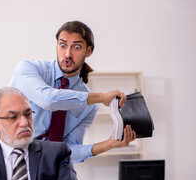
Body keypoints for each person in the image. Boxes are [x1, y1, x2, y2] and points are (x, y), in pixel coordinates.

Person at [10, 20, 136, 163]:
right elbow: (49, 100)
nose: (67, 54)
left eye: (76, 47)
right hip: (11, 163)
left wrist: (108, 144)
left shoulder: (90, 106)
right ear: (56, 46)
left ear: (88, 51)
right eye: (63, 45)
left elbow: (67, 151)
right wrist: (101, 97)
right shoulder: (28, 69)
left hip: (48, 172)